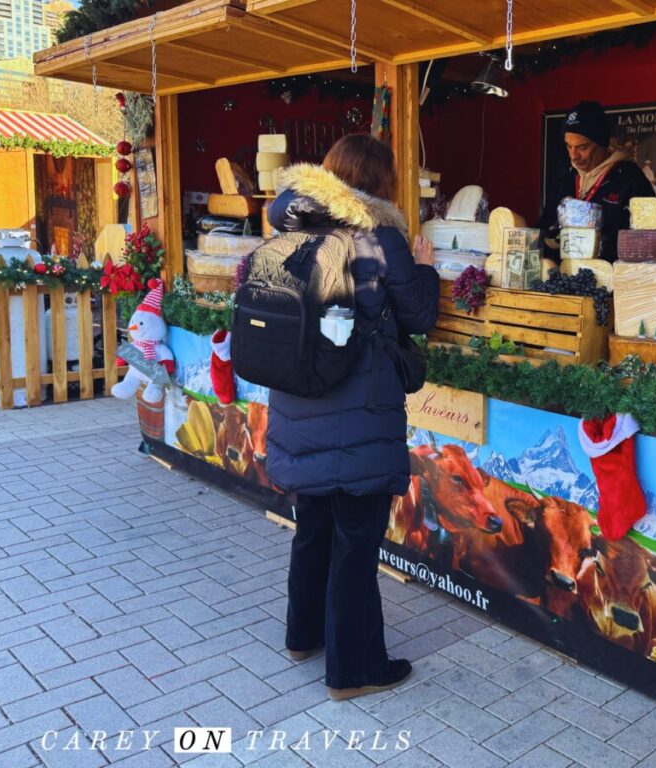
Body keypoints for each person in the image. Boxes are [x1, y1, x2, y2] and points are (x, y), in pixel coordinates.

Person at [264, 134, 439, 701]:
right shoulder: (378, 233)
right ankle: (355, 669)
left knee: (313, 526)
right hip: (357, 408)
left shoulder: (292, 225)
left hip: (299, 400)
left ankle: (302, 637)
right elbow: (417, 313)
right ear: (379, 181)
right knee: (356, 542)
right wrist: (427, 268)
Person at [539, 100, 655, 263]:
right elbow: (543, 231)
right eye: (568, 146)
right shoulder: (565, 183)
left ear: (601, 144)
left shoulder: (630, 178)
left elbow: (649, 240)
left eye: (582, 147)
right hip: (566, 281)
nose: (573, 156)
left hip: (612, 281)